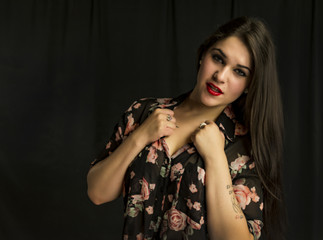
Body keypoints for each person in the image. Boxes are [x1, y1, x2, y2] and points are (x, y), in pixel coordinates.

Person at [87, 16, 285, 240]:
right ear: (203, 55)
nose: (220, 76)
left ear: (250, 85)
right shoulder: (144, 112)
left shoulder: (244, 148)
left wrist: (216, 158)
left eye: (239, 72)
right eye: (218, 58)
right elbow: (97, 193)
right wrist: (140, 136)